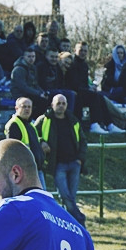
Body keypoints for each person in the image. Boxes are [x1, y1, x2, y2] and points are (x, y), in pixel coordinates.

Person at [35, 94, 87, 225]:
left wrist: (80, 159)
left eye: (63, 103)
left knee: (71, 197)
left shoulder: (73, 120)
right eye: (58, 103)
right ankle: (80, 220)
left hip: (74, 163)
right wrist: (41, 142)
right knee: (65, 197)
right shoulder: (44, 120)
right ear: (52, 105)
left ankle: (69, 224)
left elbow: (83, 141)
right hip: (58, 165)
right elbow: (33, 134)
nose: (61, 106)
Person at [4, 97, 47, 187]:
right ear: (16, 108)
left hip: (36, 168)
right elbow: (13, 150)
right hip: (25, 171)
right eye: (24, 106)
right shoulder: (14, 124)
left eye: (29, 107)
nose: (27, 109)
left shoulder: (30, 124)